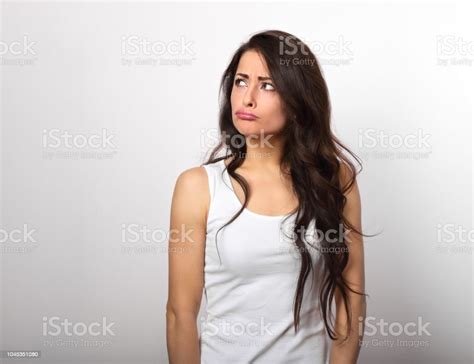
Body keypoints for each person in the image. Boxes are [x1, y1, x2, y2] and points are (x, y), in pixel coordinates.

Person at [166, 30, 368, 364]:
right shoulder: (197, 186)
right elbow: (180, 314)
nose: (247, 98)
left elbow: (352, 299)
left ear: (298, 98)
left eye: (268, 85)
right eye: (241, 81)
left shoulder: (335, 180)